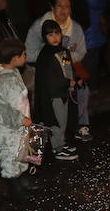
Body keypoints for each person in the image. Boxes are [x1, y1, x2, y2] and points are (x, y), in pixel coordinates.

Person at [0, 37, 37, 199]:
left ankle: (22, 179)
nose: (25, 56)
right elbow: (0, 107)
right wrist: (19, 118)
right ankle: (14, 187)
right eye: (23, 54)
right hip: (8, 128)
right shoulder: (3, 80)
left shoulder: (12, 73)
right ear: (14, 58)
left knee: (22, 151)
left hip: (20, 123)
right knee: (10, 155)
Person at [32, 19, 82, 162]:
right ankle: (58, 148)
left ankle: (61, 143)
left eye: (57, 33)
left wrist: (75, 79)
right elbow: (49, 79)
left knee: (63, 120)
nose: (55, 37)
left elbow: (68, 70)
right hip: (53, 95)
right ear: (45, 37)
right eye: (50, 34)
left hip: (64, 93)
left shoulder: (63, 51)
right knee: (56, 122)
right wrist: (67, 82)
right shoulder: (45, 55)